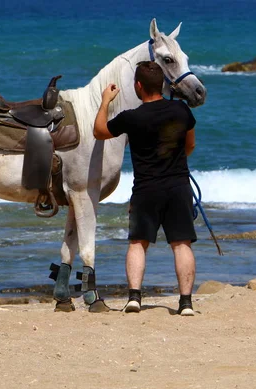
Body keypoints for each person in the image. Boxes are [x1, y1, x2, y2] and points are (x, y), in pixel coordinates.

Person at [93, 61, 197, 316]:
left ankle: (134, 298)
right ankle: (185, 303)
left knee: (138, 243)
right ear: (161, 85)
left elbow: (99, 131)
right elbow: (190, 145)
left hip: (146, 189)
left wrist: (106, 101)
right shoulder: (181, 111)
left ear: (138, 86)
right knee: (181, 244)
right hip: (178, 185)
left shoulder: (131, 117)